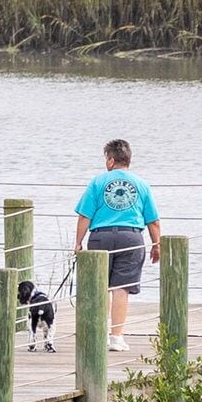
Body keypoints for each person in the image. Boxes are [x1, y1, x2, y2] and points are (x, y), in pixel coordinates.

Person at [72, 139, 162, 342]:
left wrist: (78, 242)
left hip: (100, 237)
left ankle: (98, 335)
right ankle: (117, 337)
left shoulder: (97, 182)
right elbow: (153, 221)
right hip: (131, 237)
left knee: (99, 285)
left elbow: (85, 215)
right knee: (121, 288)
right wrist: (157, 245)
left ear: (111, 160)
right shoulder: (141, 184)